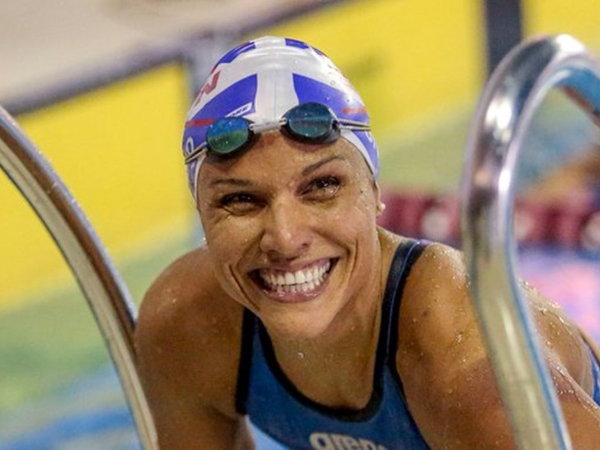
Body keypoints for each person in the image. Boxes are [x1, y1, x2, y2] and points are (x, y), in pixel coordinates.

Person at [135, 36, 600, 449]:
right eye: (240, 200)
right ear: (203, 217)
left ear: (375, 193)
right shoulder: (187, 326)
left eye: (322, 187)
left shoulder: (468, 366)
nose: (285, 238)